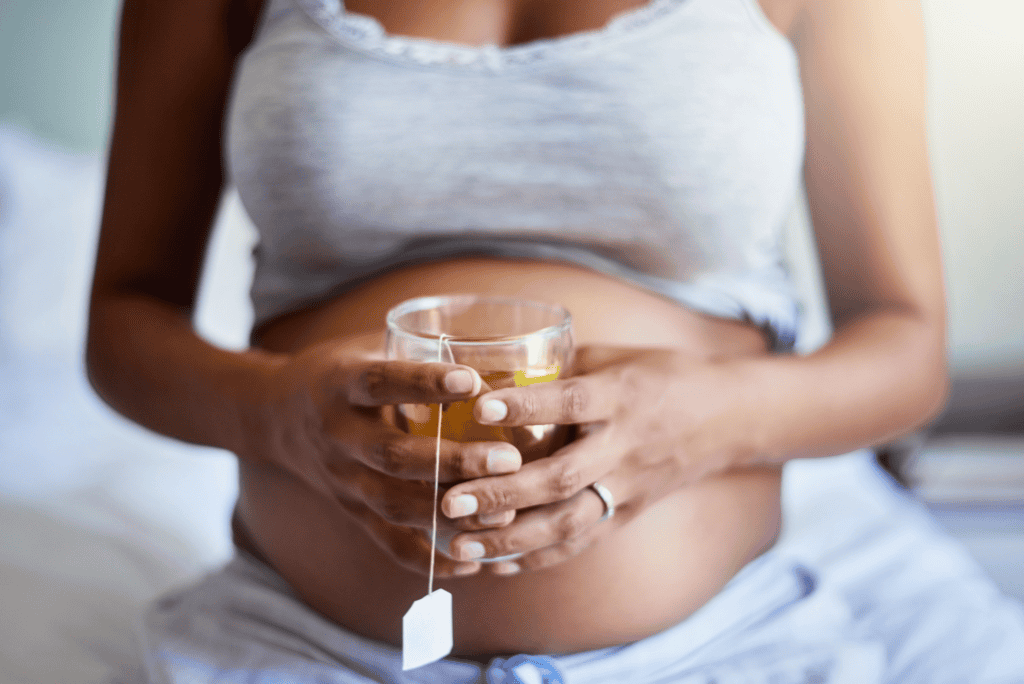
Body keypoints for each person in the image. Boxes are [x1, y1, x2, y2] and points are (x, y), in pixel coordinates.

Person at [86, 0, 1024, 681]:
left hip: (723, 643)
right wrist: (280, 417)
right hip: (299, 644)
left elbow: (904, 346)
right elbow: (125, 320)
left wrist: (703, 418)